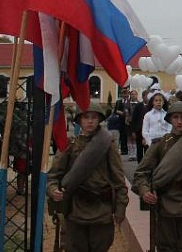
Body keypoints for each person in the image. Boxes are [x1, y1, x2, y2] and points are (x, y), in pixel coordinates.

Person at [47, 103, 128, 252]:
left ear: (99, 120)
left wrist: (120, 208)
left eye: (94, 117)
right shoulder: (69, 144)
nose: (90, 121)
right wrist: (53, 190)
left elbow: (118, 179)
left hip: (101, 210)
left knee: (100, 247)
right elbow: (54, 175)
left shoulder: (107, 144)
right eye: (86, 117)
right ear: (79, 120)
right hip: (75, 209)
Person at [133, 101, 182, 252]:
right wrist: (144, 191)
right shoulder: (161, 144)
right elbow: (141, 173)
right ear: (169, 119)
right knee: (164, 247)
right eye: (175, 117)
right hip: (164, 205)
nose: (179, 121)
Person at [130, 90, 147, 162]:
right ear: (143, 97)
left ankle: (146, 165)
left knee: (147, 150)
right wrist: (133, 131)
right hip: (139, 130)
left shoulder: (151, 106)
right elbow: (134, 119)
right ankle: (139, 164)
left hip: (148, 132)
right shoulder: (138, 106)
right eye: (146, 95)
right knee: (139, 149)